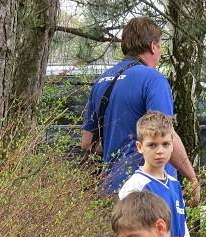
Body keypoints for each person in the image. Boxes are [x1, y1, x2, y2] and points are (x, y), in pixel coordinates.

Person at [81, 17, 199, 201]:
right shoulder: (153, 79)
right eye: (160, 47)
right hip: (150, 189)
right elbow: (165, 134)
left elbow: (87, 143)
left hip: (111, 187)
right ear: (153, 46)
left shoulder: (101, 82)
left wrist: (119, 147)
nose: (160, 53)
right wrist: (192, 178)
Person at [119, 111, 193, 237]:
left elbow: (182, 226)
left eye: (165, 144)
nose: (160, 151)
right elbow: (132, 234)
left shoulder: (175, 184)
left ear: (172, 145)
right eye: (152, 145)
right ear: (140, 147)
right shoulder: (135, 186)